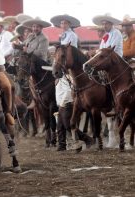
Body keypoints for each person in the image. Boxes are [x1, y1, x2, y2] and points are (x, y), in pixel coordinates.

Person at [50, 14, 80, 151]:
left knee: (62, 109)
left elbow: (71, 52)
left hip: (68, 66)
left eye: (65, 23)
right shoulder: (62, 35)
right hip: (62, 68)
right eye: (62, 23)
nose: (63, 25)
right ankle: (63, 142)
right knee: (60, 108)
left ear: (69, 24)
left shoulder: (72, 36)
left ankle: (65, 142)